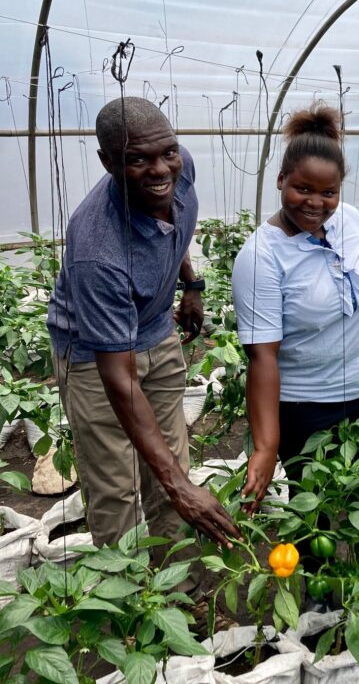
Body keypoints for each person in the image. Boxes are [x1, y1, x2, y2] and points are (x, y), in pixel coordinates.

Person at [47, 96, 237, 569]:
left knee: (173, 462)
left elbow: (172, 226)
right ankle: (131, 606)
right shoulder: (97, 248)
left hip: (157, 332)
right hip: (96, 359)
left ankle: (177, 584)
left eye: (167, 152)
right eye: (137, 159)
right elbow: (120, 380)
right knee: (116, 486)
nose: (160, 170)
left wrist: (190, 282)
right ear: (108, 162)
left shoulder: (178, 167)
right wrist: (180, 489)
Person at [232, 104, 359, 507]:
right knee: (314, 515)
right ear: (280, 181)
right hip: (307, 408)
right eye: (303, 189)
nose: (316, 202)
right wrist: (265, 446)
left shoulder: (352, 220)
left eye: (328, 192)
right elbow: (262, 357)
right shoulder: (261, 258)